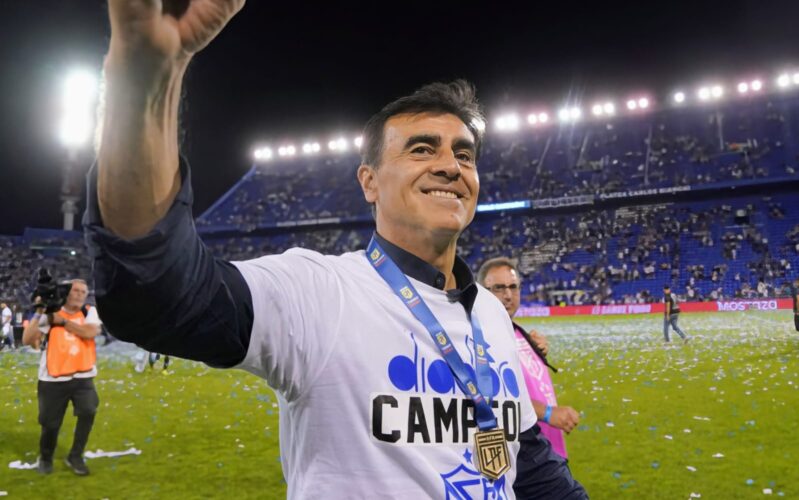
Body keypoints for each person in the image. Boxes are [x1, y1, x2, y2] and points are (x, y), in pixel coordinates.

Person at [87, 2, 586, 498]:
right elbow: (160, 297)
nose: (450, 166)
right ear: (369, 182)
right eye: (421, 148)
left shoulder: (491, 319)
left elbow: (532, 468)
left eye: (464, 154)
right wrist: (147, 74)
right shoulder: (323, 293)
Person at [478, 257, 580, 460]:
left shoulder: (517, 332)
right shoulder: (480, 338)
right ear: (481, 293)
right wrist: (549, 413)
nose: (508, 295)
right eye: (498, 288)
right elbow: (492, 397)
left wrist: (535, 352)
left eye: (513, 287)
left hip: (548, 449)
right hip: (523, 456)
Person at [21, 279, 102, 476]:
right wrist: (40, 311)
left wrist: (64, 322)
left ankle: (76, 455)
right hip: (52, 378)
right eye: (76, 290)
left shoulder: (89, 311)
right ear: (65, 292)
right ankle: (46, 457)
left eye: (83, 291)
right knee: (50, 423)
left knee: (88, 411)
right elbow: (27, 339)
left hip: (83, 376)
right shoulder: (51, 314)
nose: (80, 294)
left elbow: (90, 332)